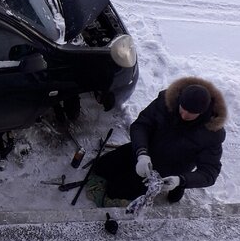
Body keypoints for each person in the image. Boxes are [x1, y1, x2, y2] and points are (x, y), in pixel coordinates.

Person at [90, 77, 227, 205]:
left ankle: (175, 189)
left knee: (115, 191)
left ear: (202, 112)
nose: (184, 115)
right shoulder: (166, 101)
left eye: (191, 113)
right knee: (101, 167)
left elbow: (209, 172)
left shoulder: (212, 133)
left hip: (168, 169)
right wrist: (141, 153)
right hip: (147, 150)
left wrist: (180, 180)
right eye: (183, 109)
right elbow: (141, 125)